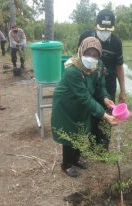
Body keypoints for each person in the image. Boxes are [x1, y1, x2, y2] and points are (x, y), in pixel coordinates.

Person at [51, 37, 119, 178]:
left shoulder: (98, 66)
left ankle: (75, 160)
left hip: (81, 103)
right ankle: (66, 165)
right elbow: (85, 97)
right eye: (88, 54)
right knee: (69, 134)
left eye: (95, 55)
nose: (91, 58)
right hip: (67, 104)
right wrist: (105, 116)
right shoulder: (73, 71)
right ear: (81, 51)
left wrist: (106, 99)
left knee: (81, 130)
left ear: (99, 56)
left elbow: (101, 86)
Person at [78, 9, 126, 150]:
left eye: (108, 29)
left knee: (107, 116)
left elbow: (119, 67)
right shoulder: (85, 37)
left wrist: (123, 91)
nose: (104, 32)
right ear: (96, 25)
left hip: (108, 85)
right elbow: (78, 59)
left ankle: (103, 148)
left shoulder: (116, 42)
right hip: (89, 83)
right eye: (101, 29)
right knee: (91, 113)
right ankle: (92, 145)